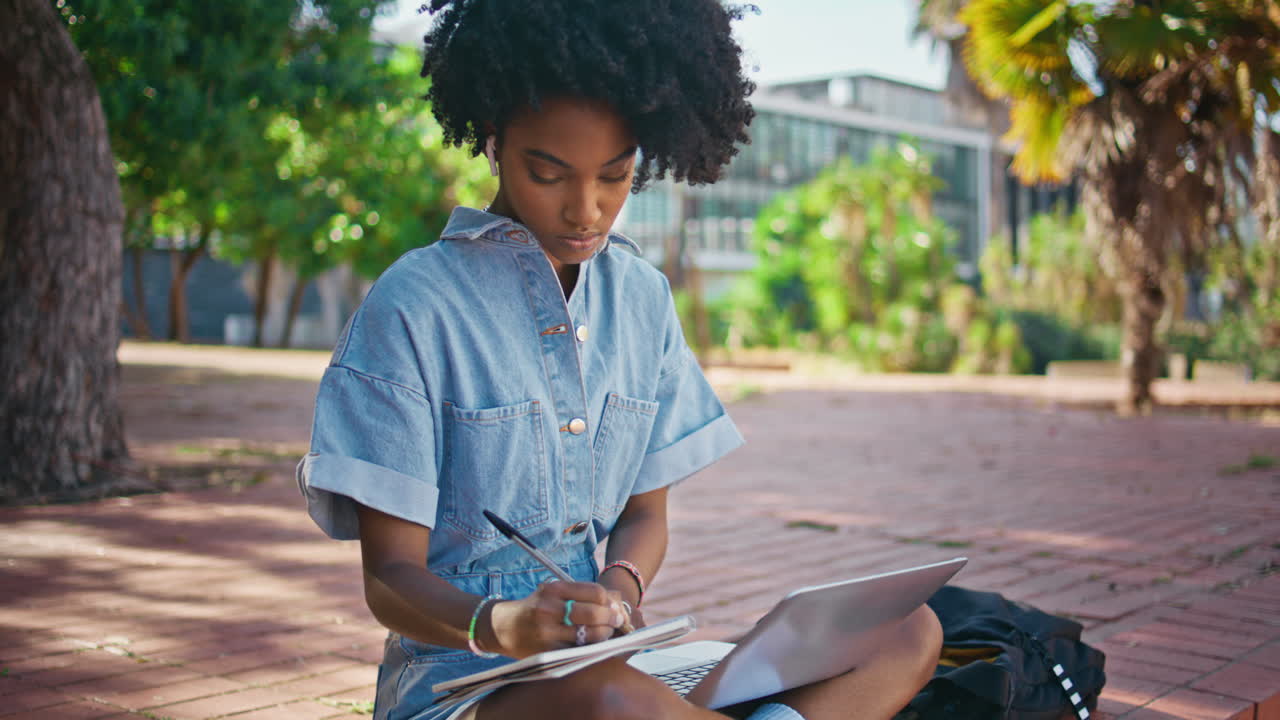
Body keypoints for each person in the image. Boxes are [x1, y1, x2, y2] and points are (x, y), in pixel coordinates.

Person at [297, 1, 942, 718]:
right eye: (549, 174)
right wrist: (503, 625)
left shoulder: (642, 300)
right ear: (491, 138)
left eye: (615, 175)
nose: (587, 210)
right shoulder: (414, 307)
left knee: (903, 631)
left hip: (618, 669)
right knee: (613, 700)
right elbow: (388, 578)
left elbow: (644, 516)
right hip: (463, 684)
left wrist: (623, 591)